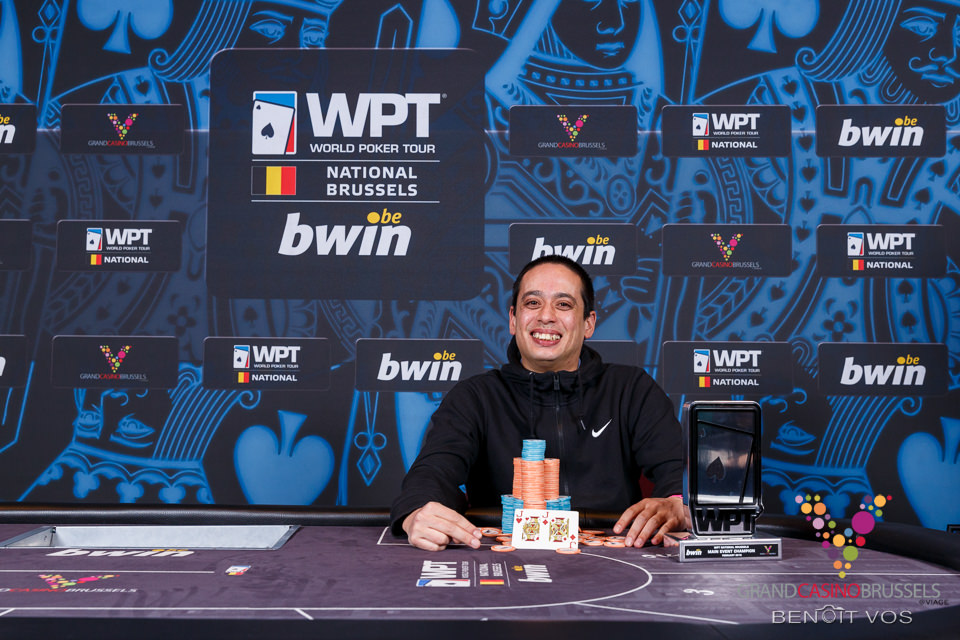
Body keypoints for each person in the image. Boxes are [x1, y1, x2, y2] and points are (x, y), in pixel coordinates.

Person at [390, 255, 685, 551]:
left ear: (588, 323)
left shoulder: (631, 389)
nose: (546, 316)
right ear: (513, 319)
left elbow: (678, 473)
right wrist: (417, 511)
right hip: (505, 559)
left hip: (615, 556)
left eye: (563, 304)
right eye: (533, 303)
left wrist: (677, 503)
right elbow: (432, 472)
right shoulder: (475, 397)